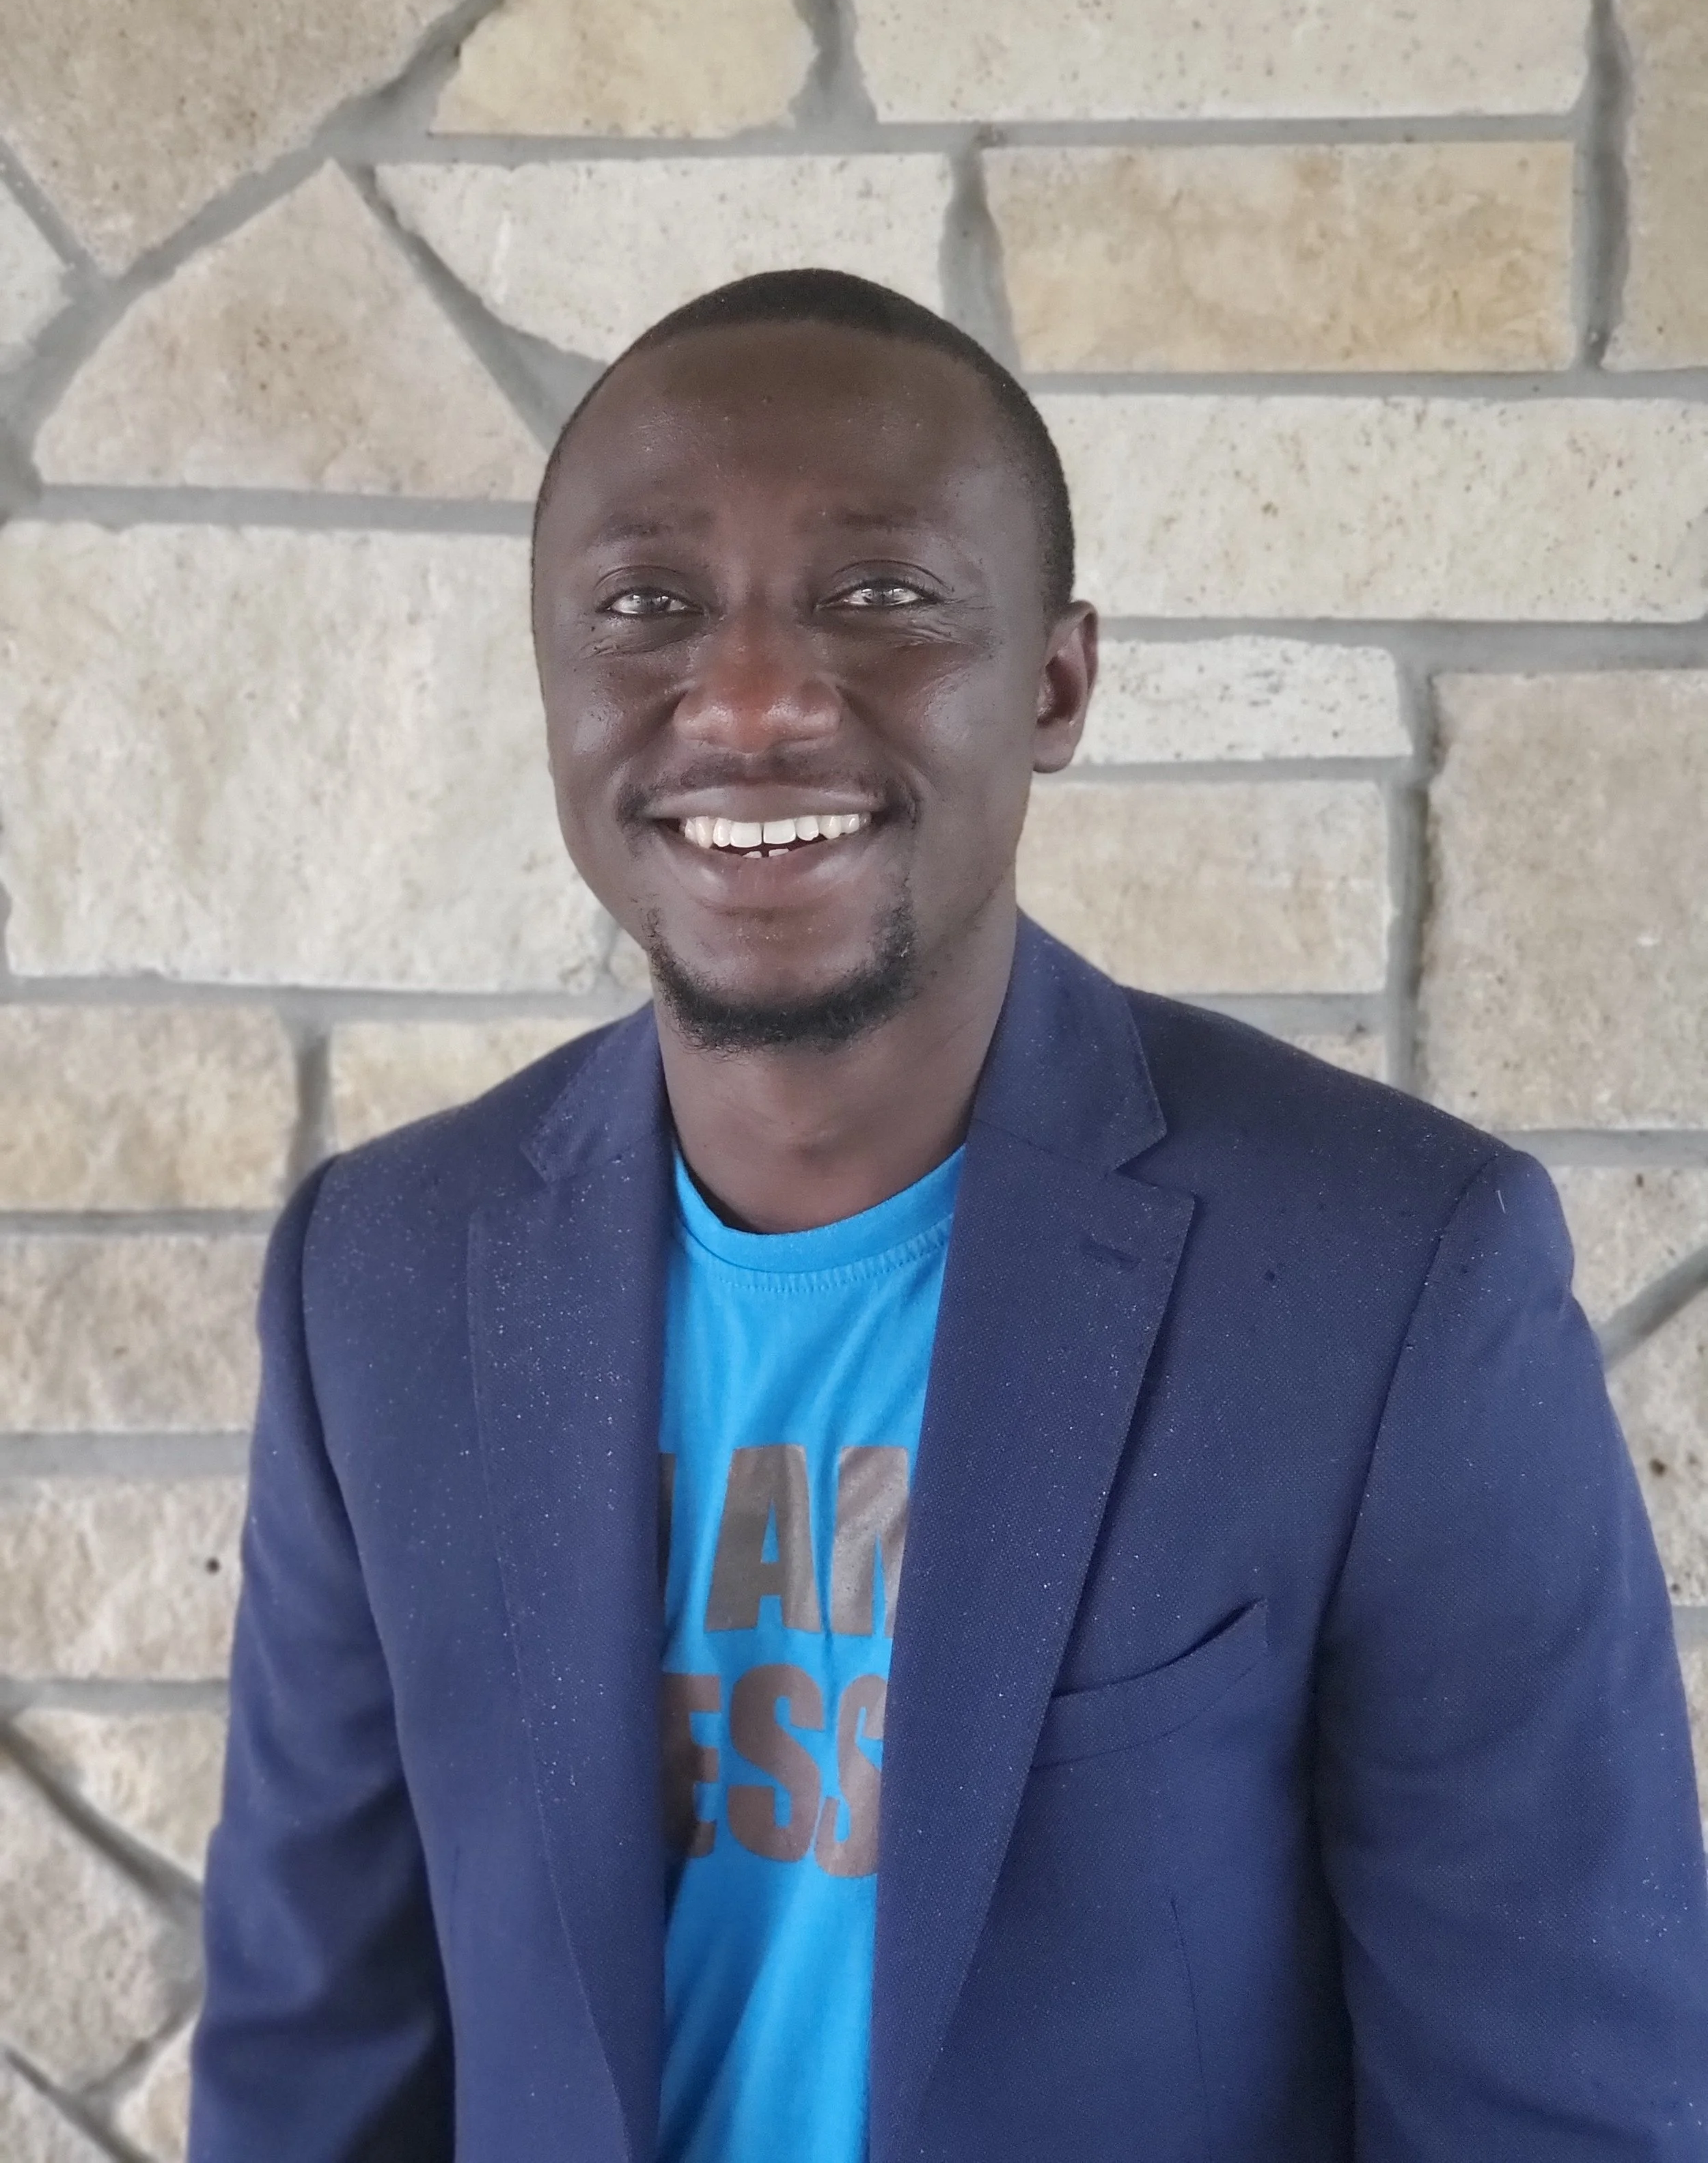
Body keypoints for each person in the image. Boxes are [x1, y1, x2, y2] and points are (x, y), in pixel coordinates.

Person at [191, 270, 1708, 2163]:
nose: (747, 695)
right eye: (647, 606)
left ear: (1054, 683)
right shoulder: (382, 1276)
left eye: (882, 597)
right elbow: (309, 2063)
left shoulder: (1391, 1282)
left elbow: (1556, 2107)